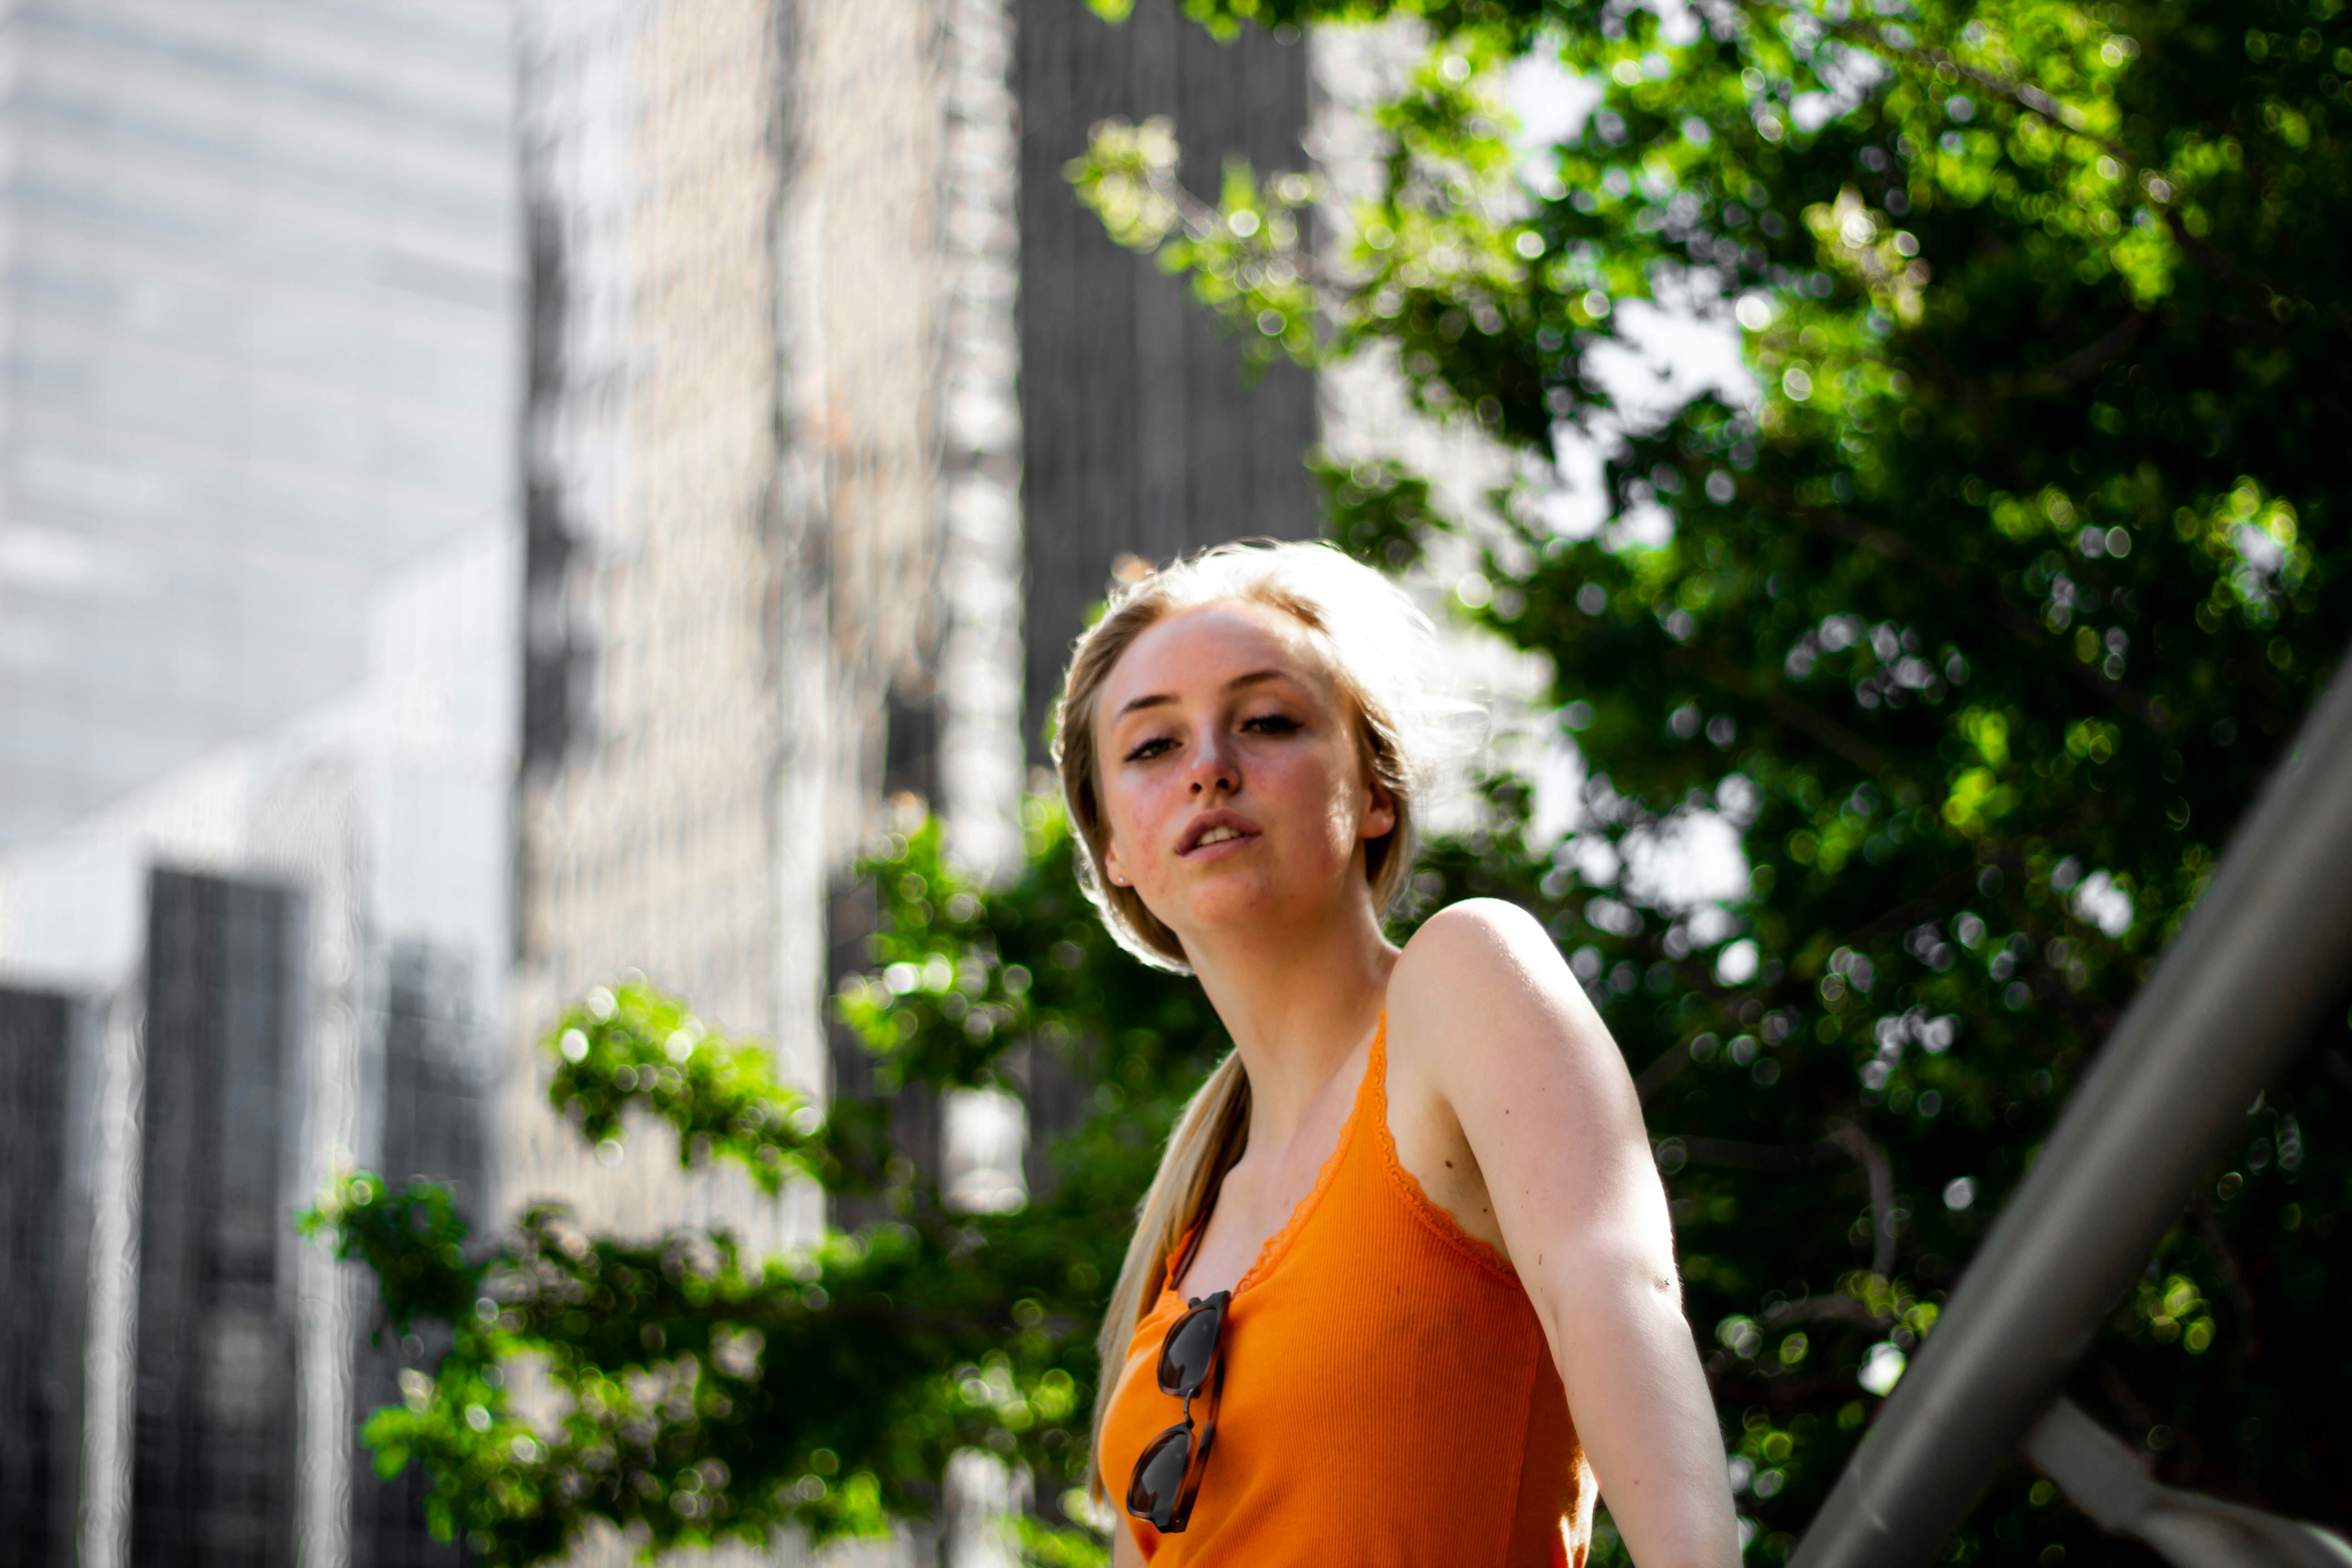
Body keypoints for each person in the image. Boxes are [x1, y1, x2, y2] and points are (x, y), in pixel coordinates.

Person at [1058, 542, 1738, 1566]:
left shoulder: (1463, 981)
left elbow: (1616, 1285)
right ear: (1113, 848)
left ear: (1374, 792)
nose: (1209, 766)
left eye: (1268, 722)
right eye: (1153, 747)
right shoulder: (1185, 1227)